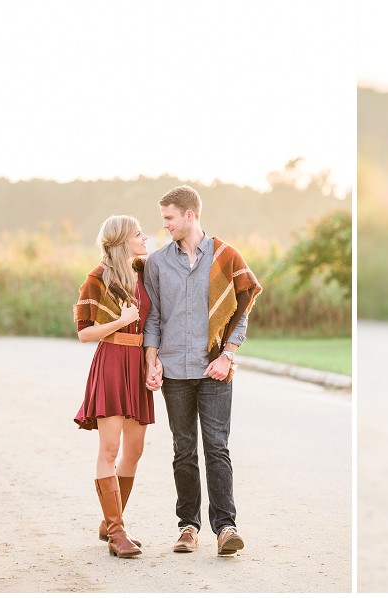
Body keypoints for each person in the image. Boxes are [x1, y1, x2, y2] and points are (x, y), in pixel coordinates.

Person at [143, 185, 262, 557]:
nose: (164, 226)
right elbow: (154, 318)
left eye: (169, 218)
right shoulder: (157, 263)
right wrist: (152, 360)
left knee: (217, 448)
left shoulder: (225, 256)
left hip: (215, 370)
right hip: (174, 371)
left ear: (189, 215)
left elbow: (240, 310)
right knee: (183, 450)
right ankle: (188, 527)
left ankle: (226, 528)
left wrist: (227, 354)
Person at [73, 215, 153, 559]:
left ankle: (110, 521)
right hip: (111, 362)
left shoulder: (144, 274)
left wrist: (153, 360)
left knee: (134, 452)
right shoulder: (96, 278)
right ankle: (118, 532)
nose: (144, 237)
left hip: (138, 366)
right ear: (122, 240)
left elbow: (155, 321)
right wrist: (120, 321)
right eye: (138, 234)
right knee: (109, 450)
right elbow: (84, 332)